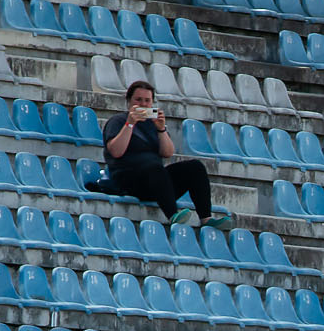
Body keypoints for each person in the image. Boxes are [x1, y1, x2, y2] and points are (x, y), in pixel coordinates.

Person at [100, 80, 234, 229]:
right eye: (138, 100)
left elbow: (167, 152)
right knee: (153, 168)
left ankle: (206, 218)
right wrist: (130, 124)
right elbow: (116, 151)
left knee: (194, 167)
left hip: (155, 181)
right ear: (129, 101)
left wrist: (161, 129)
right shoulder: (118, 121)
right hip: (129, 180)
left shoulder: (153, 125)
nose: (143, 104)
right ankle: (172, 215)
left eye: (147, 100)